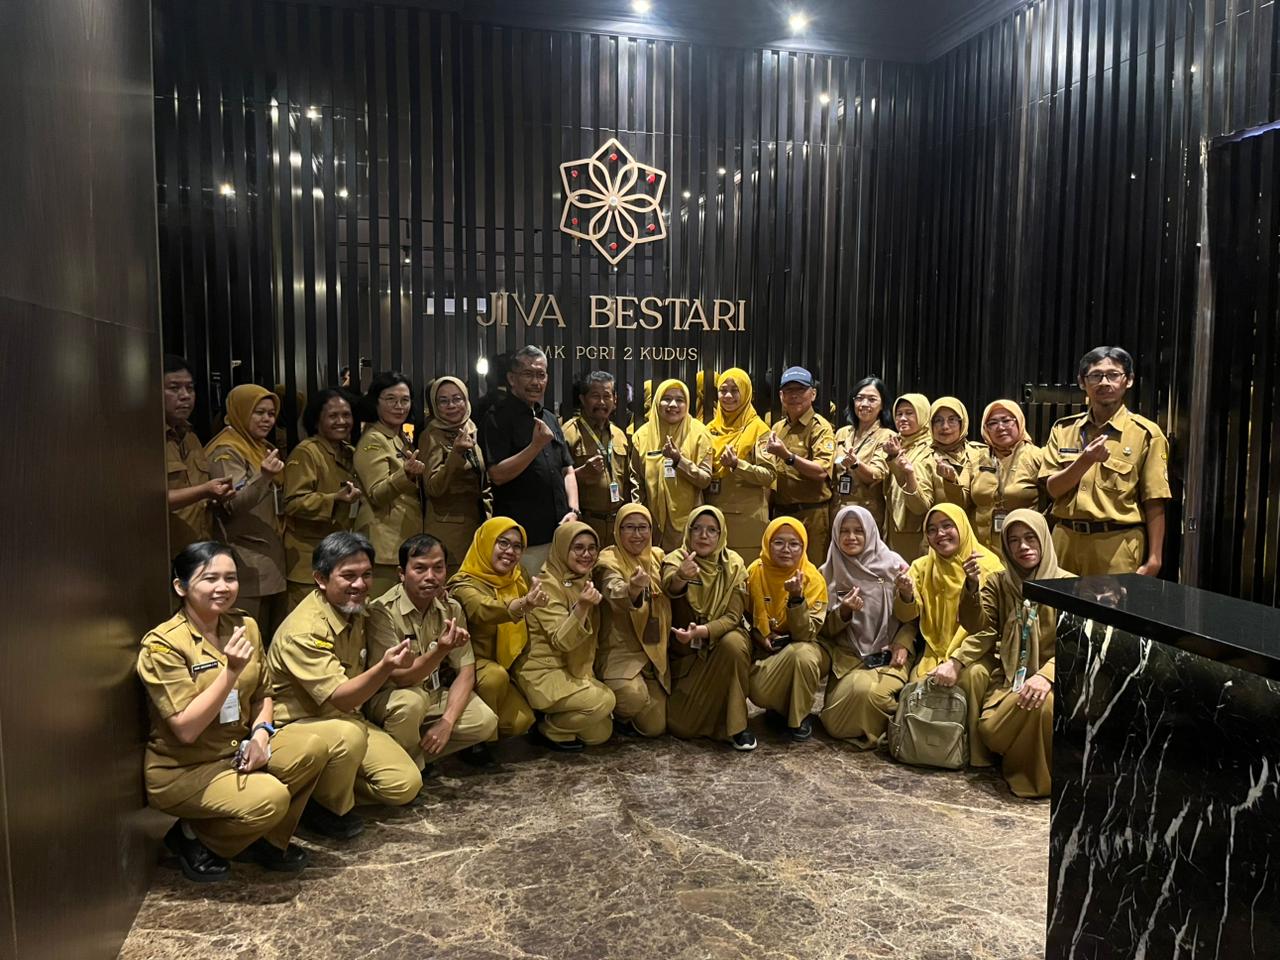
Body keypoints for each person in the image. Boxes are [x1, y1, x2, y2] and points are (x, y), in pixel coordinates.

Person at [137, 542, 330, 881]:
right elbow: (186, 729)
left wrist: (260, 736)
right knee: (270, 798)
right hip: (185, 767)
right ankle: (192, 837)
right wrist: (230, 672)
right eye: (210, 578)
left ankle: (261, 838)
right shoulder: (163, 645)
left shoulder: (245, 626)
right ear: (181, 587)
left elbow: (263, 694)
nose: (223, 587)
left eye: (230, 578)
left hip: (235, 750)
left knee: (311, 748)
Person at [266, 532, 423, 839]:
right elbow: (340, 697)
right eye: (348, 576)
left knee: (405, 785)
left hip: (348, 718)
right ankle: (321, 807)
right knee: (348, 736)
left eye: (367, 575)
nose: (360, 585)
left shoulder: (358, 609)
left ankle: (313, 788)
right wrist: (385, 666)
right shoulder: (305, 630)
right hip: (300, 725)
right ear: (321, 579)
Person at [954, 509, 1071, 798]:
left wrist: (1046, 676)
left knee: (1043, 705)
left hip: (1058, 678)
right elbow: (977, 625)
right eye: (1014, 540)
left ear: (1043, 539)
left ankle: (1035, 780)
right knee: (990, 730)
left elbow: (1076, 644)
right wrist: (971, 586)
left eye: (1030, 538)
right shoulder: (999, 582)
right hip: (1010, 678)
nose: (1023, 547)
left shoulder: (1069, 585)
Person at [364, 535, 498, 771]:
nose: (430, 576)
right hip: (392, 697)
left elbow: (466, 670)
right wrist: (441, 650)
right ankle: (403, 767)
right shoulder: (382, 611)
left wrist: (446, 723)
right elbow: (402, 679)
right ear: (402, 573)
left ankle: (410, 758)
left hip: (432, 694)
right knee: (411, 703)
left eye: (438, 568)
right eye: (420, 568)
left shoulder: (451, 607)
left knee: (484, 721)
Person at [1041, 346, 1172, 576]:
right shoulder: (1063, 429)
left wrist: (1155, 558)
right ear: (1082, 382)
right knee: (1058, 601)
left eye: (1113, 375)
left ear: (1128, 380)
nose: (1104, 382)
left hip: (1117, 543)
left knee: (1112, 601)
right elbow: (1053, 489)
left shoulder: (1146, 434)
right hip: (1065, 540)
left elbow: (1154, 500)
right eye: (1096, 375)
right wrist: (1085, 461)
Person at [891, 503, 1004, 767]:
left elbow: (989, 628)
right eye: (932, 530)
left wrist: (957, 661)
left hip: (977, 653)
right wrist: (906, 595)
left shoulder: (988, 566)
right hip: (933, 652)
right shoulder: (922, 566)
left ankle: (974, 754)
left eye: (947, 526)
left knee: (973, 678)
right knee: (919, 688)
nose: (940, 534)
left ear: (962, 527)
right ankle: (926, 752)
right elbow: (908, 617)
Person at [816, 506, 912, 748]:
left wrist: (906, 595)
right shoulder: (827, 573)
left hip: (891, 655)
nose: (851, 537)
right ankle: (888, 725)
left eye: (858, 530)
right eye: (844, 531)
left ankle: (901, 726)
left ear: (870, 531)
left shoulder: (895, 566)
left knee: (870, 695)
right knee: (835, 722)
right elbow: (822, 630)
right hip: (849, 657)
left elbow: (915, 618)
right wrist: (844, 611)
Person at [478, 345, 580, 574]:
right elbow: (497, 475)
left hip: (561, 533)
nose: (536, 382)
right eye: (528, 374)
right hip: (522, 539)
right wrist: (535, 446)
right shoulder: (496, 418)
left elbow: (568, 469)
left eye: (541, 375)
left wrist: (574, 510)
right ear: (511, 379)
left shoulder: (549, 418)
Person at [661, 507, 756, 751]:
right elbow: (669, 586)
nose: (704, 535)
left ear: (721, 534)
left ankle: (737, 727)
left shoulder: (734, 565)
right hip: (688, 655)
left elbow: (733, 617)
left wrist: (702, 632)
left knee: (733, 644)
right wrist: (681, 577)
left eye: (712, 530)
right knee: (680, 726)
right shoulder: (675, 559)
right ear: (689, 531)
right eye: (698, 529)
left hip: (721, 641)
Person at [515, 522, 616, 750]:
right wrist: (582, 607)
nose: (586, 554)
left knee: (600, 733)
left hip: (573, 668)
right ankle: (548, 728)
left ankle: (556, 717)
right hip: (543, 671)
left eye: (592, 548)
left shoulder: (585, 578)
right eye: (578, 548)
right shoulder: (546, 585)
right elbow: (562, 641)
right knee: (605, 700)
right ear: (562, 549)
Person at [447, 518, 542, 749]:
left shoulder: (518, 575)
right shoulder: (463, 584)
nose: (510, 551)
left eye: (517, 546)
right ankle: (476, 744)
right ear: (486, 542)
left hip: (503, 665)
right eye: (503, 543)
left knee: (523, 721)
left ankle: (481, 728)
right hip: (469, 667)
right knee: (494, 677)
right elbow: (482, 609)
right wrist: (521, 605)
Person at [207, 384, 289, 637]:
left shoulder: (260, 446)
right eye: (259, 412)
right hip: (244, 560)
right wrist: (264, 476)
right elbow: (232, 504)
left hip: (268, 557)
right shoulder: (226, 449)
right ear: (240, 411)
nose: (267, 420)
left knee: (269, 640)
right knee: (245, 640)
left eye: (271, 414)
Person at [746, 517, 830, 741]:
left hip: (808, 647)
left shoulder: (813, 579)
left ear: (803, 547)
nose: (786, 550)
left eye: (794, 544)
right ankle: (781, 706)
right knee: (758, 690)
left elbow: (806, 634)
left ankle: (799, 717)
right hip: (767, 650)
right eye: (778, 542)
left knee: (801, 655)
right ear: (767, 543)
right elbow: (742, 616)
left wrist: (796, 599)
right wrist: (759, 635)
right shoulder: (755, 572)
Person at [283, 389, 363, 609]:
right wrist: (333, 499)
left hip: (338, 556)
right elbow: (292, 503)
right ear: (316, 420)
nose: (341, 421)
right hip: (308, 561)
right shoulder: (307, 452)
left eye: (346, 415)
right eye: (333, 416)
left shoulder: (349, 452)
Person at [595, 504, 670, 736]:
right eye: (629, 527)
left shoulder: (657, 556)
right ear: (617, 530)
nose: (637, 535)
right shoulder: (608, 560)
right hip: (621, 652)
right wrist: (632, 589)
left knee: (656, 727)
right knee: (633, 699)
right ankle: (615, 713)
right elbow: (613, 589)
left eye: (643, 527)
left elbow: (673, 580)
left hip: (653, 653)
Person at [354, 373, 426, 598]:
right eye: (391, 399)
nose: (399, 406)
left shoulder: (400, 437)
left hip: (401, 542)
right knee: (380, 611)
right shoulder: (373, 439)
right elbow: (377, 493)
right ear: (376, 402)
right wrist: (406, 474)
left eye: (405, 400)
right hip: (383, 545)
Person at [630, 378, 714, 551]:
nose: (673, 405)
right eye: (666, 399)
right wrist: (639, 516)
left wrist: (679, 461)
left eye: (680, 400)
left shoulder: (699, 433)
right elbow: (636, 480)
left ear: (687, 403)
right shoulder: (642, 436)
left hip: (689, 526)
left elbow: (705, 480)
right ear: (657, 401)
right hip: (651, 526)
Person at [763, 367, 836, 564]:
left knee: (811, 570)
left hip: (811, 515)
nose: (794, 396)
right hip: (781, 513)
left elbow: (821, 472)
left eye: (800, 390)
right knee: (782, 569)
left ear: (813, 394)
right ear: (781, 396)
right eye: (788, 391)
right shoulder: (778, 428)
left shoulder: (820, 428)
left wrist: (788, 456)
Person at [421, 376, 490, 576]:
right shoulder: (431, 435)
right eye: (443, 401)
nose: (451, 405)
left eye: (457, 398)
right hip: (449, 532)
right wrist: (456, 454)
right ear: (435, 406)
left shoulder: (471, 429)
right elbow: (433, 488)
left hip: (477, 524)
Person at [705, 367, 774, 564]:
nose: (728, 396)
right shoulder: (708, 429)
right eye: (723, 390)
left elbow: (769, 475)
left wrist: (737, 465)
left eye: (735, 390)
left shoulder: (759, 429)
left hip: (747, 523)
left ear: (746, 393)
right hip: (712, 518)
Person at [164, 355, 233, 553]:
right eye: (174, 388)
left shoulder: (191, 437)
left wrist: (215, 497)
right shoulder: (143, 442)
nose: (185, 395)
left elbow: (197, 493)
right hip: (164, 553)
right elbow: (147, 501)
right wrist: (204, 491)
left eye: (190, 388)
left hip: (200, 547)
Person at [959, 400, 1045, 551]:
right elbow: (963, 501)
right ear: (985, 428)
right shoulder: (976, 457)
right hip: (981, 548)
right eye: (992, 423)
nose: (1000, 427)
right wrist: (950, 481)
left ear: (1019, 422)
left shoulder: (1037, 456)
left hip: (1023, 548)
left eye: (1006, 421)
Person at [563, 371, 632, 547]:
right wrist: (580, 475)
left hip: (617, 526)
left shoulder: (619, 435)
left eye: (607, 396)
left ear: (615, 400)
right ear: (583, 399)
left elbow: (627, 481)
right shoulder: (569, 433)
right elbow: (554, 481)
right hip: (584, 524)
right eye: (595, 396)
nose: (601, 402)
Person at [880, 393, 940, 562]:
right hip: (893, 528)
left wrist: (895, 459)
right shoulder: (895, 443)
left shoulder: (931, 448)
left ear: (923, 415)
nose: (903, 419)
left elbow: (922, 502)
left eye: (909, 413)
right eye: (899, 414)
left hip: (918, 530)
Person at [831, 377, 895, 532]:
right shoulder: (842, 433)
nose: (864, 404)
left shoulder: (887, 436)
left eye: (872, 399)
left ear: (882, 405)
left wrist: (856, 464)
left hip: (867, 515)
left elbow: (876, 475)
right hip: (837, 511)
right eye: (859, 398)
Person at [928, 396, 986, 509]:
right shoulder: (924, 456)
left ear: (962, 423)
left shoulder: (980, 453)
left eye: (952, 420)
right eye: (938, 420)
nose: (945, 426)